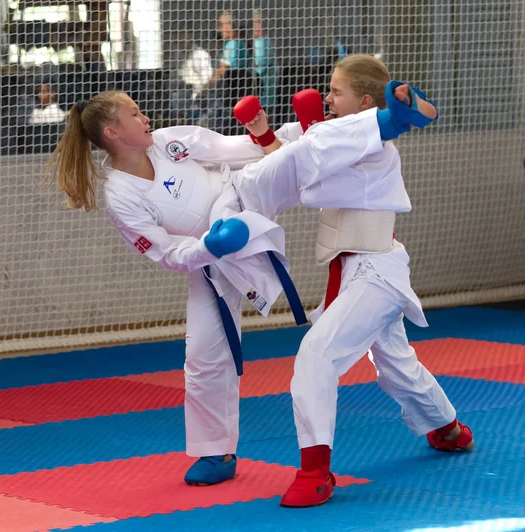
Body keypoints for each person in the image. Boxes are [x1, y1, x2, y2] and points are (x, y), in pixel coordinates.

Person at [43, 81, 435, 487]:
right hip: (210, 262)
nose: (145, 118)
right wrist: (209, 247)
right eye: (134, 114)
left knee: (290, 158)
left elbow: (233, 150)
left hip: (239, 203)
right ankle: (216, 451)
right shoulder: (120, 195)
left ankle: (388, 121)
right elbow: (165, 252)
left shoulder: (168, 142)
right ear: (113, 133)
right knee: (202, 356)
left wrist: (271, 138)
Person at [238, 55, 473, 509]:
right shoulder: (336, 138)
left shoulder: (369, 138)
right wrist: (265, 134)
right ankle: (446, 428)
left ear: (364, 102)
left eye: (336, 91)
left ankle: (315, 471)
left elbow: (391, 125)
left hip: (374, 273)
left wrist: (399, 109)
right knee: (395, 363)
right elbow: (301, 163)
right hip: (353, 271)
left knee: (316, 357)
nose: (327, 97)